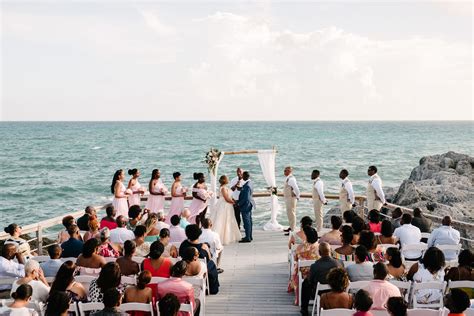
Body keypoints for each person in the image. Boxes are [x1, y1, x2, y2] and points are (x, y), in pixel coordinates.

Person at [300, 242, 343, 315]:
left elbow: (310, 281)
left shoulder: (315, 266)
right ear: (331, 251)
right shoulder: (339, 263)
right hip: (337, 290)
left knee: (305, 283)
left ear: (319, 253)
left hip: (320, 293)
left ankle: (304, 309)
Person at [179, 224, 220, 295]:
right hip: (199, 269)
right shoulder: (203, 247)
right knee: (212, 264)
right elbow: (209, 259)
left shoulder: (183, 245)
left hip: (185, 268)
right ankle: (213, 287)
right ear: (199, 234)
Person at [288, 226, 319, 305]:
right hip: (317, 272)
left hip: (305, 273)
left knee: (298, 269)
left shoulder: (301, 248)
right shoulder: (319, 247)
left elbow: (295, 259)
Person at [210, 175, 241, 245]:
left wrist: (236, 185)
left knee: (228, 220)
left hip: (227, 205)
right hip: (224, 205)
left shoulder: (225, 187)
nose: (228, 179)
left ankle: (228, 236)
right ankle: (222, 237)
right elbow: (226, 198)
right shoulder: (223, 188)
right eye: (227, 178)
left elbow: (230, 191)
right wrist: (235, 202)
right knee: (223, 220)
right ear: (225, 180)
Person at [238, 171, 255, 243]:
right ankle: (250, 236)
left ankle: (247, 237)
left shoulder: (247, 186)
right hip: (249, 204)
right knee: (249, 220)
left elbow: (246, 198)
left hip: (246, 205)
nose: (242, 177)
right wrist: (241, 188)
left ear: (245, 176)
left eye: (242, 176)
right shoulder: (250, 183)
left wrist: (238, 204)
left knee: (246, 221)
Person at [283, 166, 300, 234]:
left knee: (291, 213)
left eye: (286, 170)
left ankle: (292, 230)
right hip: (288, 198)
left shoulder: (291, 179)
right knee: (289, 213)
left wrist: (297, 196)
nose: (284, 172)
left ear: (289, 171)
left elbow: (296, 189)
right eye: (284, 170)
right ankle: (291, 227)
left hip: (291, 198)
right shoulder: (288, 178)